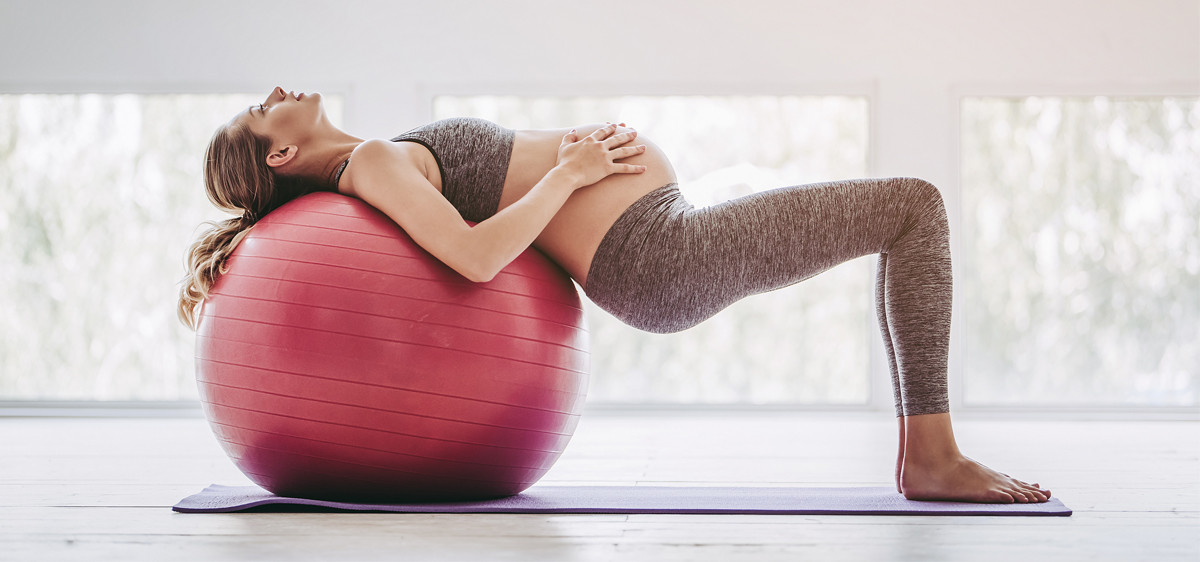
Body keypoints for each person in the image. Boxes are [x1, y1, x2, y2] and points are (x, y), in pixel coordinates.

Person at [179, 86, 1050, 504]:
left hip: (665, 231)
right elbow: (478, 258)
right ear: (280, 157)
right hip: (656, 256)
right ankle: (930, 457)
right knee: (912, 210)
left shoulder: (377, 153)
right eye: (261, 112)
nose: (276, 94)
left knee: (896, 215)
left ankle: (928, 454)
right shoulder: (369, 162)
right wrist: (570, 170)